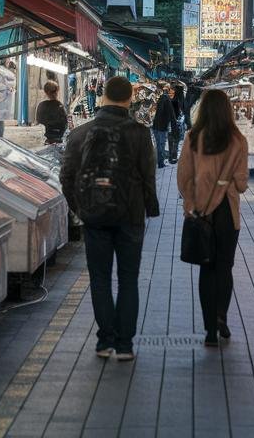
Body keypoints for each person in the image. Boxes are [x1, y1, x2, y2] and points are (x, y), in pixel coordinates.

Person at [60, 76, 159, 361]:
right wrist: (149, 208)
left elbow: (66, 176)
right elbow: (148, 175)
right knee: (128, 280)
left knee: (100, 279)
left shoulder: (80, 134)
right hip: (130, 216)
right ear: (130, 99)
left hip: (95, 218)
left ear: (102, 97)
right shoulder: (140, 133)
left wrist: (80, 209)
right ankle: (125, 345)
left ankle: (104, 341)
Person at [177, 89, 248, 347]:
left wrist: (192, 201)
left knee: (207, 269)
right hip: (228, 214)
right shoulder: (238, 140)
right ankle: (221, 318)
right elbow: (241, 184)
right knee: (225, 267)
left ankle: (209, 330)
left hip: (202, 213)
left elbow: (184, 177)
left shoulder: (193, 137)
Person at [150, 82, 176, 168]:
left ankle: (159, 162)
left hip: (155, 126)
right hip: (162, 127)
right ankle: (161, 163)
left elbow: (158, 112)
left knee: (158, 145)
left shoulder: (160, 99)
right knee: (161, 144)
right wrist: (174, 127)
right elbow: (172, 115)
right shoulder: (167, 100)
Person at [166, 83, 185, 164]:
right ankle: (173, 157)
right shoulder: (178, 101)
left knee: (172, 141)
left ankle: (172, 157)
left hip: (171, 124)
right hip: (175, 123)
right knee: (175, 141)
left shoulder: (170, 100)